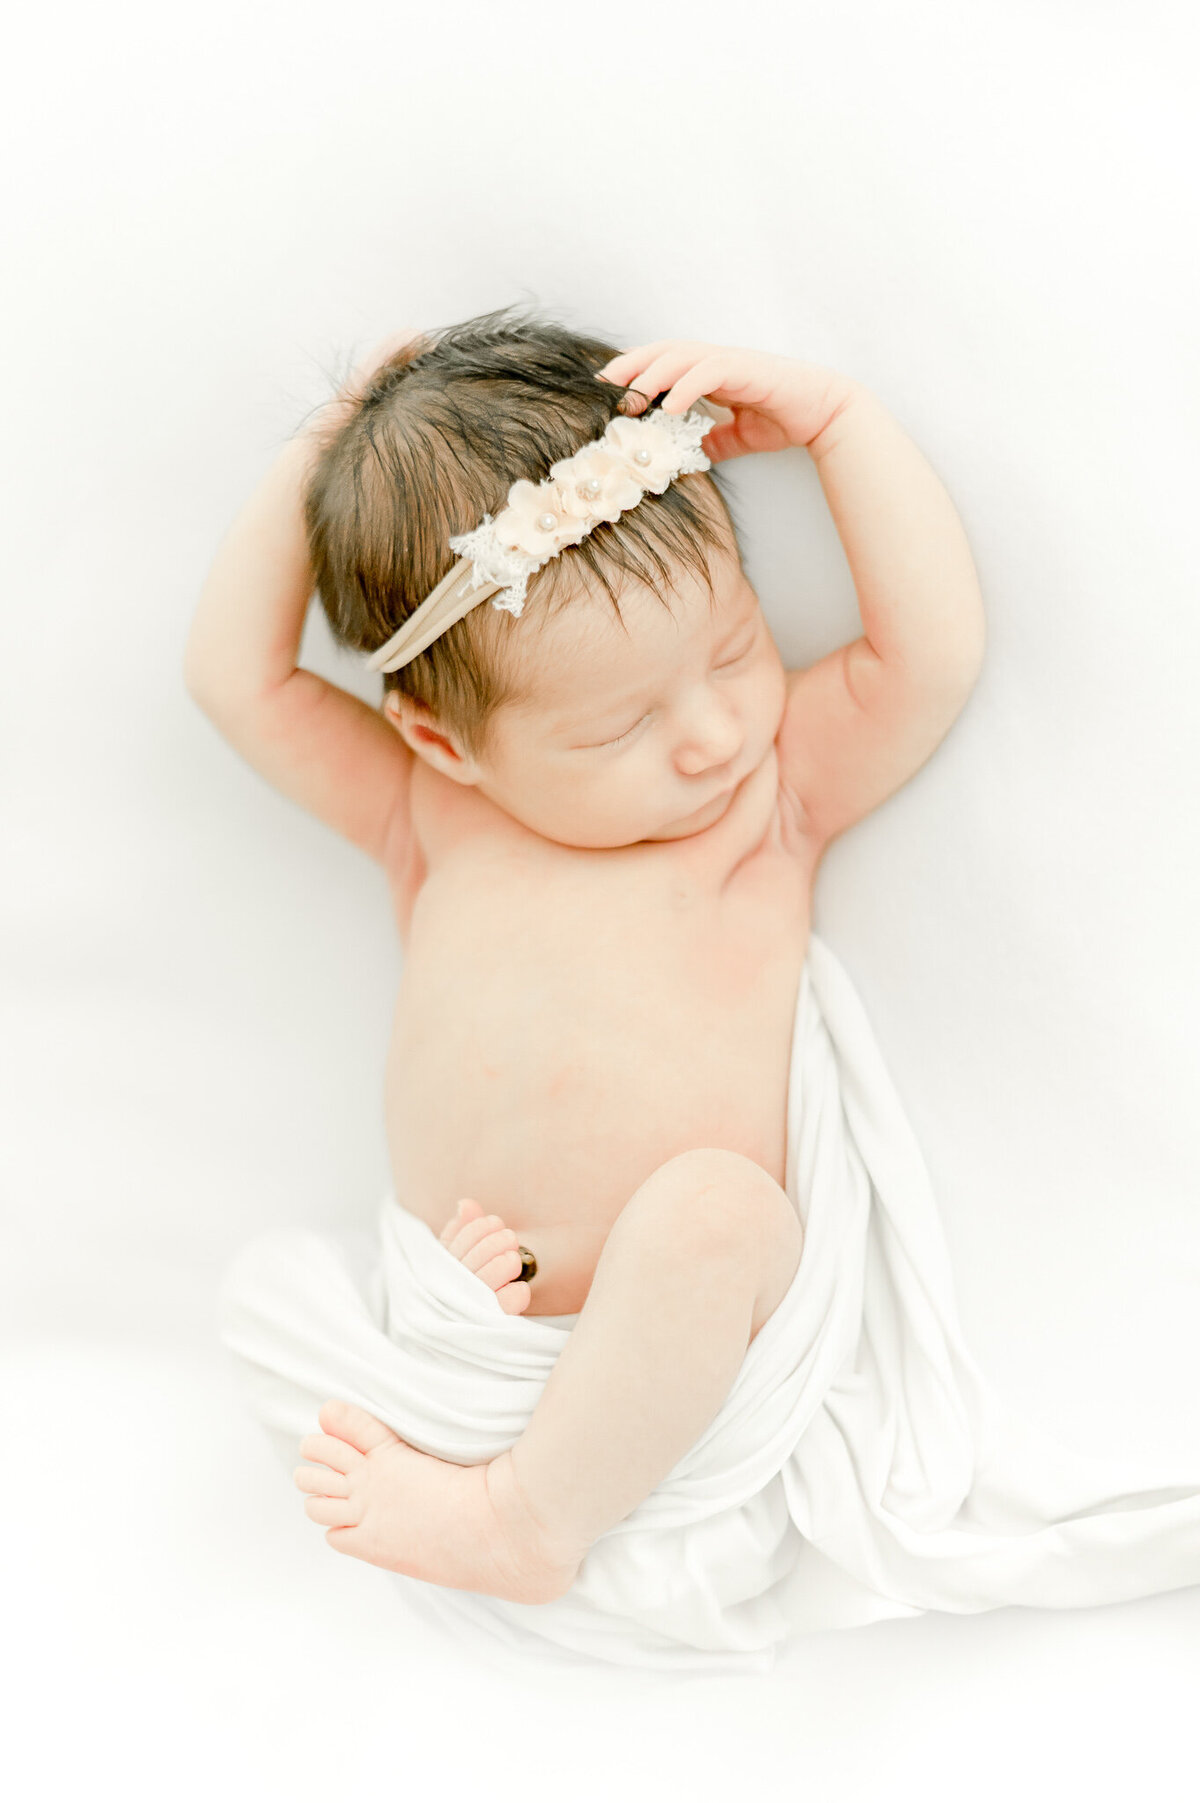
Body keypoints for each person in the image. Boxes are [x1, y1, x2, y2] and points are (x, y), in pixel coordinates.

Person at [185, 304, 985, 1608]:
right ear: (450, 744)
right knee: (262, 1298)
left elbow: (929, 652)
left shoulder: (761, 802)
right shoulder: (428, 817)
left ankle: (526, 1525)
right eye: (618, 725)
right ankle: (493, 1476)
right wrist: (334, 442)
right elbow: (237, 679)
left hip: (685, 1347)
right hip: (468, 1343)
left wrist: (842, 424)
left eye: (735, 646)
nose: (711, 731)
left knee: (716, 1209)